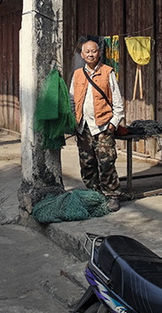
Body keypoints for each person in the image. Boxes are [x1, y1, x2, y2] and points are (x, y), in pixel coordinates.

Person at [69, 39, 125, 212]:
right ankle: (93, 193)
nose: (91, 54)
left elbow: (118, 103)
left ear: (99, 53)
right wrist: (73, 120)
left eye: (94, 51)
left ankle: (112, 195)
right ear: (82, 54)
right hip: (83, 127)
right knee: (87, 163)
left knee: (107, 162)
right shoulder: (77, 74)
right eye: (87, 52)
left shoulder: (107, 72)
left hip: (102, 126)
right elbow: (72, 100)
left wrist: (113, 124)